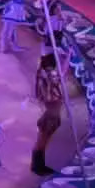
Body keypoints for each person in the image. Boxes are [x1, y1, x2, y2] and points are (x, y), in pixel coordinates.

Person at [31, 47, 68, 176]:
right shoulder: (49, 73)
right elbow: (61, 74)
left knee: (43, 141)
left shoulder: (42, 71)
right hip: (51, 114)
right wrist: (67, 57)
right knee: (42, 141)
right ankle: (37, 166)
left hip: (51, 112)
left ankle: (38, 165)